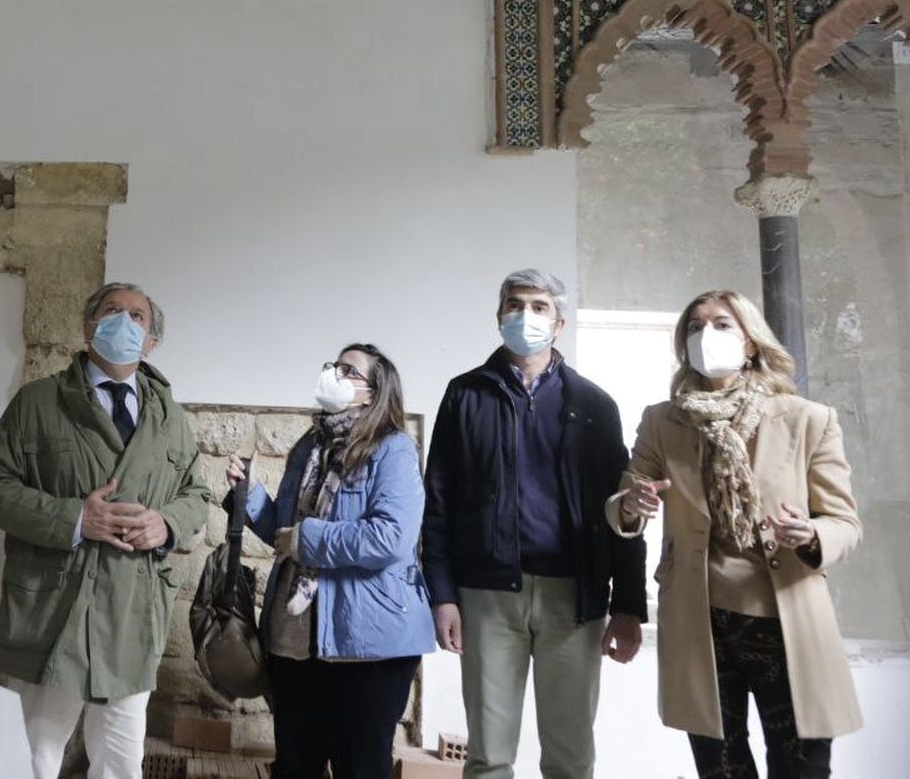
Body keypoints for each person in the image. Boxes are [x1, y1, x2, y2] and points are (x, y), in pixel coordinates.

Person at [609, 289, 861, 779]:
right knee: (721, 771)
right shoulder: (662, 421)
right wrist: (631, 506)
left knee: (802, 770)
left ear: (751, 342)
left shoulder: (808, 419)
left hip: (786, 624)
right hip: (702, 623)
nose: (708, 335)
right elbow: (624, 501)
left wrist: (809, 533)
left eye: (723, 324)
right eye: (696, 326)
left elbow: (844, 522)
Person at [0, 282, 209, 779]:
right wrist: (76, 519)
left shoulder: (170, 417)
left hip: (131, 616)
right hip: (50, 612)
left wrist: (164, 524)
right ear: (88, 327)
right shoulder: (37, 403)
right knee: (32, 758)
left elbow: (196, 496)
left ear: (151, 342)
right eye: (112, 311)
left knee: (120, 763)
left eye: (138, 317)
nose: (124, 321)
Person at [421, 269, 646, 779]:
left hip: (575, 600)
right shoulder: (464, 397)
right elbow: (438, 504)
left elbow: (624, 510)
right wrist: (443, 595)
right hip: (487, 597)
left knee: (570, 757)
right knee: (489, 756)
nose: (526, 316)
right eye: (515, 304)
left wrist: (628, 605)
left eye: (539, 306)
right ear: (499, 315)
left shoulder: (594, 405)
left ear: (560, 322)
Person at [224, 343, 434, 779]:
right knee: (297, 765)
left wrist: (309, 538)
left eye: (347, 370)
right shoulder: (309, 447)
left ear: (374, 392)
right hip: (298, 639)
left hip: (368, 646)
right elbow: (286, 535)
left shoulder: (393, 450)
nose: (333, 374)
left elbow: (391, 538)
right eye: (331, 366)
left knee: (360, 766)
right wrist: (248, 495)